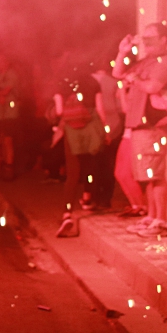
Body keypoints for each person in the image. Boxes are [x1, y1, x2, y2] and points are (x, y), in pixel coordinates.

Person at [113, 23, 167, 237]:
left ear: (164, 40)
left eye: (152, 38)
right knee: (147, 175)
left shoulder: (166, 63)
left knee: (156, 174)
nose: (147, 43)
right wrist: (122, 51)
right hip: (138, 123)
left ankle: (161, 221)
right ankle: (151, 217)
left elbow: (152, 87)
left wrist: (135, 80)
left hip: (153, 125)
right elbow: (117, 73)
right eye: (145, 38)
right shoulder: (145, 62)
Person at [52, 67, 106, 237]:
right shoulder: (93, 82)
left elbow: (60, 111)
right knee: (91, 164)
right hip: (91, 127)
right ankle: (88, 198)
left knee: (73, 172)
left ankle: (67, 212)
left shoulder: (62, 84)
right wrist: (104, 130)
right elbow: (100, 108)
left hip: (72, 130)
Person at [90, 60, 126, 210]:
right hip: (113, 125)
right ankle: (106, 199)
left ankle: (94, 197)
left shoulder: (87, 80)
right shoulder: (114, 82)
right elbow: (120, 107)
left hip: (93, 128)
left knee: (95, 164)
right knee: (109, 164)